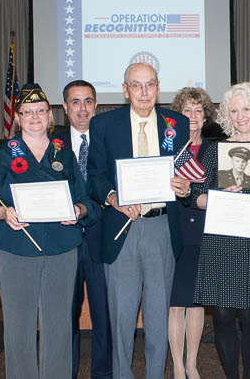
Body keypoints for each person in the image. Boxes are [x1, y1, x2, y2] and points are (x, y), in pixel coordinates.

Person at [0, 83, 96, 378]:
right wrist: (3, 213)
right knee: (18, 329)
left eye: (40, 111)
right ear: (17, 117)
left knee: (58, 328)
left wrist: (76, 212)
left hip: (61, 250)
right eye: (27, 112)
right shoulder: (3, 154)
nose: (34, 117)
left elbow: (85, 201)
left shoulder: (64, 152)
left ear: (50, 116)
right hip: (16, 250)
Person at [87, 62, 191, 379]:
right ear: (124, 89)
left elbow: (184, 173)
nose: (143, 92)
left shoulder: (178, 123)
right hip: (122, 228)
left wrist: (185, 186)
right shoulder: (104, 124)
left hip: (161, 226)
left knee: (159, 317)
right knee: (122, 315)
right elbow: (95, 175)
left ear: (158, 87)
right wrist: (112, 197)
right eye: (136, 85)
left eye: (149, 84)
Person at [192, 82, 250, 379]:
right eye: (234, 110)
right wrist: (218, 198)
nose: (240, 115)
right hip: (221, 241)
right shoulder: (215, 150)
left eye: (246, 108)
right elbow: (197, 197)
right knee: (221, 316)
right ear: (226, 115)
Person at [56, 80, 112, 379]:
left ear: (96, 105)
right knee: (66, 316)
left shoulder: (109, 141)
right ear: (64, 108)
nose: (82, 108)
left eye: (88, 101)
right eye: (75, 102)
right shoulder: (50, 144)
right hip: (64, 242)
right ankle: (67, 371)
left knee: (104, 316)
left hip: (103, 239)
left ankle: (103, 374)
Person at [168, 87, 215, 379]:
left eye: (199, 110)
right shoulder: (168, 149)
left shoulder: (214, 150)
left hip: (205, 229)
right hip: (174, 227)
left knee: (196, 302)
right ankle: (176, 364)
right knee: (175, 302)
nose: (194, 116)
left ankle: (193, 362)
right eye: (187, 110)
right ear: (178, 115)